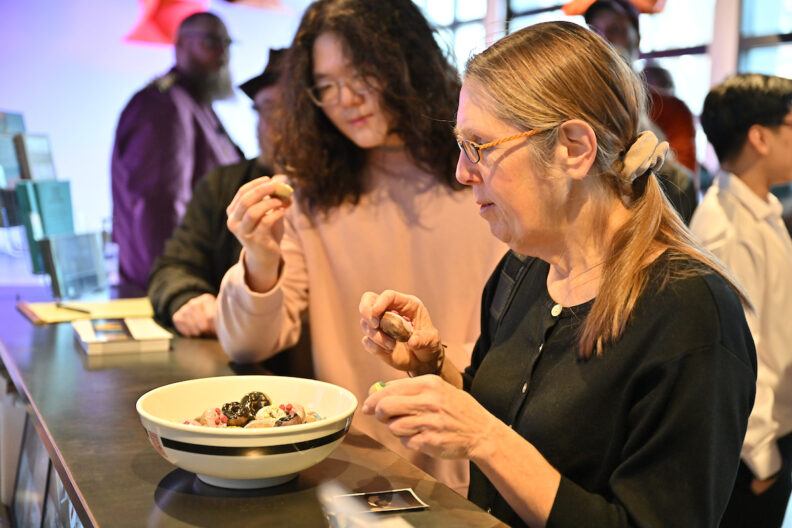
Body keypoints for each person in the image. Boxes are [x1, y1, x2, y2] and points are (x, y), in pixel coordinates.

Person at [358, 21, 756, 527]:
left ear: (573, 147)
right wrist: (433, 366)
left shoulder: (691, 313)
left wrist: (485, 438)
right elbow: (510, 409)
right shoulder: (522, 269)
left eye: (478, 145)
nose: (462, 171)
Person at [215, 0, 505, 495]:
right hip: (350, 470)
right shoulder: (310, 196)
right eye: (326, 86)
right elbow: (248, 344)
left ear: (407, 61)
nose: (346, 99)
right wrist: (260, 259)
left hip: (478, 460)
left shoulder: (479, 176)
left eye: (363, 74)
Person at [690, 73, 792, 528]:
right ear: (760, 137)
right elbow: (735, 358)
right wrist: (763, 459)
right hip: (752, 452)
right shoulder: (728, 231)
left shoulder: (761, 208)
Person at [147, 49, 286, 338]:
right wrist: (188, 298)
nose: (280, 125)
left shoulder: (345, 192)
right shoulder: (222, 186)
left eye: (294, 111)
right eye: (268, 109)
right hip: (238, 360)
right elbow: (173, 267)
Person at [111, 12, 243, 291]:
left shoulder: (196, 105)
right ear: (181, 44)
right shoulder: (164, 107)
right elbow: (159, 209)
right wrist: (176, 291)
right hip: (172, 296)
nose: (222, 53)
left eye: (227, 44)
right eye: (210, 42)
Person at [584, 0, 699, 223]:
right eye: (594, 32)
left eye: (615, 30)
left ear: (636, 39)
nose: (603, 40)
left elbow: (681, 185)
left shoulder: (672, 109)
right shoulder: (576, 103)